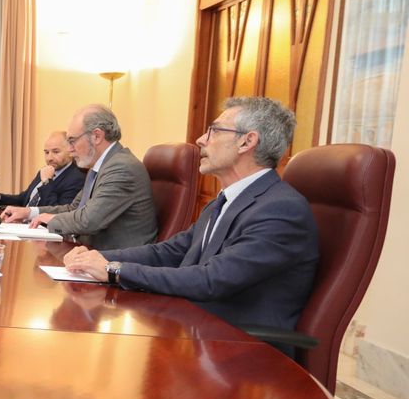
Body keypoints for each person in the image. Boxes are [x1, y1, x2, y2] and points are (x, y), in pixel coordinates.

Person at [64, 97, 318, 339]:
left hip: (240, 349)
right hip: (196, 327)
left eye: (215, 131)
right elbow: (170, 251)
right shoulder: (224, 201)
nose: (200, 140)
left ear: (247, 142)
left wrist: (114, 270)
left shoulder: (281, 210)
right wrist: (98, 258)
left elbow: (210, 279)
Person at [1, 105, 156, 250]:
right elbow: (74, 208)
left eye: (72, 141)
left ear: (96, 136)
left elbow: (89, 220)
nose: (70, 149)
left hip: (117, 263)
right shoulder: (99, 167)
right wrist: (29, 212)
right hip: (91, 254)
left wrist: (50, 219)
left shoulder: (122, 168)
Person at [0, 131, 85, 207]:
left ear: (70, 151)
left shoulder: (77, 178)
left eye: (56, 152)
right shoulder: (44, 171)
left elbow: (57, 212)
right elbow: (24, 199)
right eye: (46, 152)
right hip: (23, 225)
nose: (49, 158)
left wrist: (47, 182)